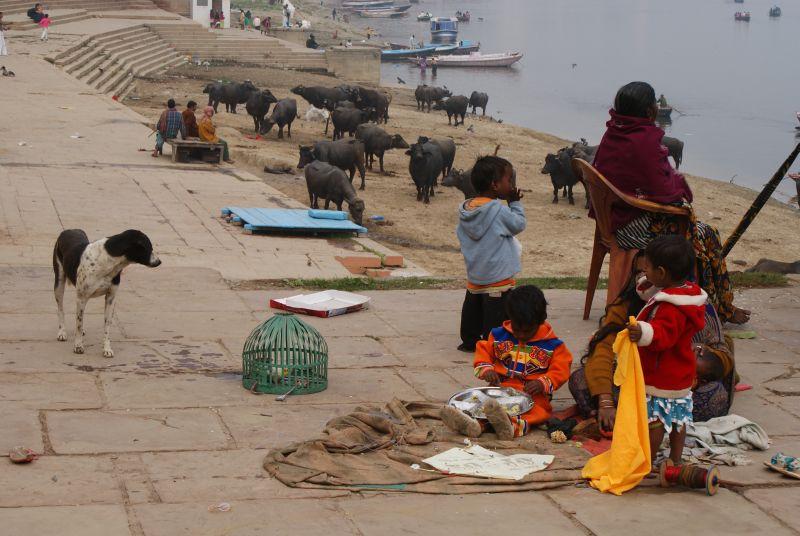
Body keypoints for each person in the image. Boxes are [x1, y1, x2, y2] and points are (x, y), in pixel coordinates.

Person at [592, 81, 750, 325]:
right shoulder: (643, 140)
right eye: (653, 104)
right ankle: (715, 308)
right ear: (649, 111)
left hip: (615, 218)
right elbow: (665, 192)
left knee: (698, 229)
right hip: (635, 226)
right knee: (705, 234)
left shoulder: (614, 132)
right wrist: (679, 185)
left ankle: (716, 305)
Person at [569, 252, 736, 432]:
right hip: (636, 386)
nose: (643, 277)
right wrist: (606, 401)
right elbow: (602, 349)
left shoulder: (695, 302)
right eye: (638, 272)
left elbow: (724, 354)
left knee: (714, 396)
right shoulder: (626, 305)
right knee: (580, 381)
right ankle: (633, 419)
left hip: (679, 388)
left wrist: (706, 360)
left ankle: (647, 423)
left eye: (647, 271)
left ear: (664, 273)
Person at [441, 285, 573, 439]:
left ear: (541, 320)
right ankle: (475, 425)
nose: (521, 335)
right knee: (481, 405)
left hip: (532, 395)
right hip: (499, 389)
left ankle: (511, 427)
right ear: (510, 317)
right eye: (517, 329)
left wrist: (543, 382)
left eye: (528, 331)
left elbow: (561, 370)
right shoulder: (498, 335)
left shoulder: (554, 345)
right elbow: (483, 351)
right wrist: (487, 369)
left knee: (538, 412)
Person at [627, 235, 707, 464]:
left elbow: (663, 336)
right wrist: (647, 281)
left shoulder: (671, 308)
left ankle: (647, 461)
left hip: (664, 375)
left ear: (661, 273)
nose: (644, 272)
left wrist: (642, 332)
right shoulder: (684, 293)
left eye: (648, 269)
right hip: (680, 372)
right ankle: (675, 457)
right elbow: (650, 292)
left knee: (657, 421)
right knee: (678, 419)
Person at [456, 155, 525, 352]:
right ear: (495, 185)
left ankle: (469, 340)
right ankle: (493, 344)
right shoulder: (497, 210)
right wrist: (515, 204)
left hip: (476, 272)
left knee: (473, 305)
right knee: (496, 315)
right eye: (509, 180)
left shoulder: (467, 208)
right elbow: (518, 224)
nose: (511, 184)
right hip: (497, 276)